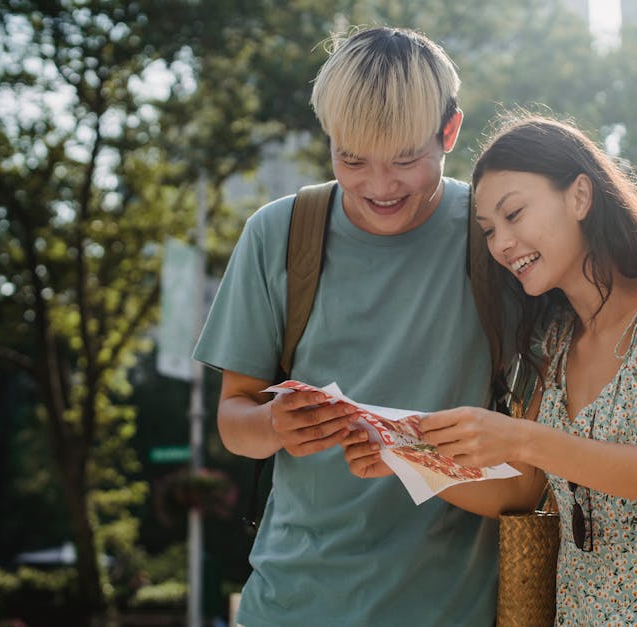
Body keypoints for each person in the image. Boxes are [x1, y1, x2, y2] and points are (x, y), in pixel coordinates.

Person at [345, 115, 637, 624]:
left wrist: (521, 437)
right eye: (490, 230)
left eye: (514, 214)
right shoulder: (555, 343)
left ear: (580, 196)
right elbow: (520, 491)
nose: (501, 244)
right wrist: (402, 454)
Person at [193, 27, 499, 627]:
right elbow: (234, 420)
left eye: (406, 160)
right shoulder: (279, 234)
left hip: (452, 607)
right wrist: (274, 424)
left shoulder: (495, 235)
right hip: (292, 603)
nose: (378, 188)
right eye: (351, 158)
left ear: (450, 132)